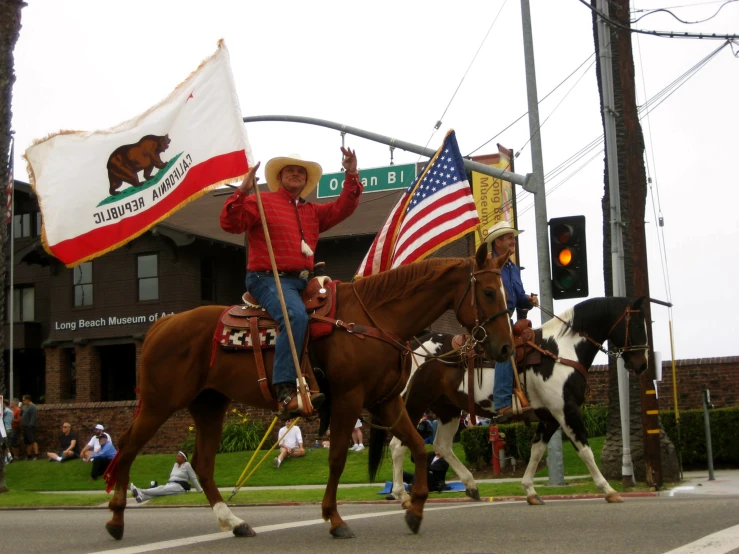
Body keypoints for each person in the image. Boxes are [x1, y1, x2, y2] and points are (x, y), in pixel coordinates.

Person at [220, 149, 363, 419]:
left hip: (302, 281)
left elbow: (344, 207)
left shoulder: (312, 212)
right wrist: (242, 191)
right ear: (279, 177)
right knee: (294, 316)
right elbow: (229, 223)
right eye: (290, 171)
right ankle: (285, 388)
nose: (296, 173)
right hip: (267, 278)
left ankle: (321, 377)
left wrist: (351, 174)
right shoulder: (260, 202)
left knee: (338, 313)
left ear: (305, 180)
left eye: (301, 171)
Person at [485, 221, 538, 420]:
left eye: (513, 237)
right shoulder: (488, 265)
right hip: (494, 320)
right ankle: (502, 403)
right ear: (498, 242)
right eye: (509, 237)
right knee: (508, 350)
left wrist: (529, 300)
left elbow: (520, 296)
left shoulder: (513, 269)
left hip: (509, 318)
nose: (513, 240)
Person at [129, 451, 203, 503]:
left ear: (184, 458)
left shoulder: (187, 465)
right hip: (171, 485)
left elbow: (193, 478)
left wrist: (200, 490)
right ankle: (142, 498)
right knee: (160, 493)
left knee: (161, 489)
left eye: (179, 456)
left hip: (179, 487)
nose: (176, 457)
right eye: (176, 456)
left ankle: (139, 490)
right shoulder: (175, 465)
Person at [20, 394, 38, 460]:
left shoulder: (32, 407)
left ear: (28, 400)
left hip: (30, 426)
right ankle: (29, 455)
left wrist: (31, 425)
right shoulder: (26, 407)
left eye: (24, 400)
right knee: (28, 442)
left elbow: (34, 417)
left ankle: (36, 454)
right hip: (25, 426)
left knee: (33, 440)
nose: (23, 401)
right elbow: (21, 414)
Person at [2, 398, 12, 464]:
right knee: (5, 444)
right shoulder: (11, 411)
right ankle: (8, 457)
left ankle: (8, 458)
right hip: (10, 428)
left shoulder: (6, 411)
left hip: (5, 429)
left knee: (4, 445)